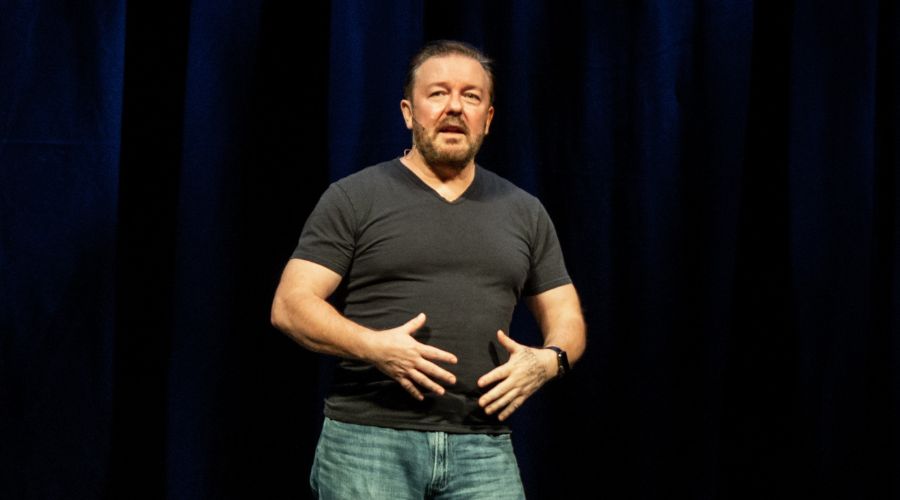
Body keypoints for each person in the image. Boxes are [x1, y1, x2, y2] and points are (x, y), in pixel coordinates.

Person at [271, 40, 586, 499]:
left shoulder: (524, 211)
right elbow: (290, 305)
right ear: (408, 112)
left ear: (489, 118)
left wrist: (548, 361)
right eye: (438, 93)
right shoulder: (355, 197)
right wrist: (374, 346)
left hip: (483, 447)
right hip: (369, 442)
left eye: (471, 96)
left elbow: (568, 317)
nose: (455, 107)